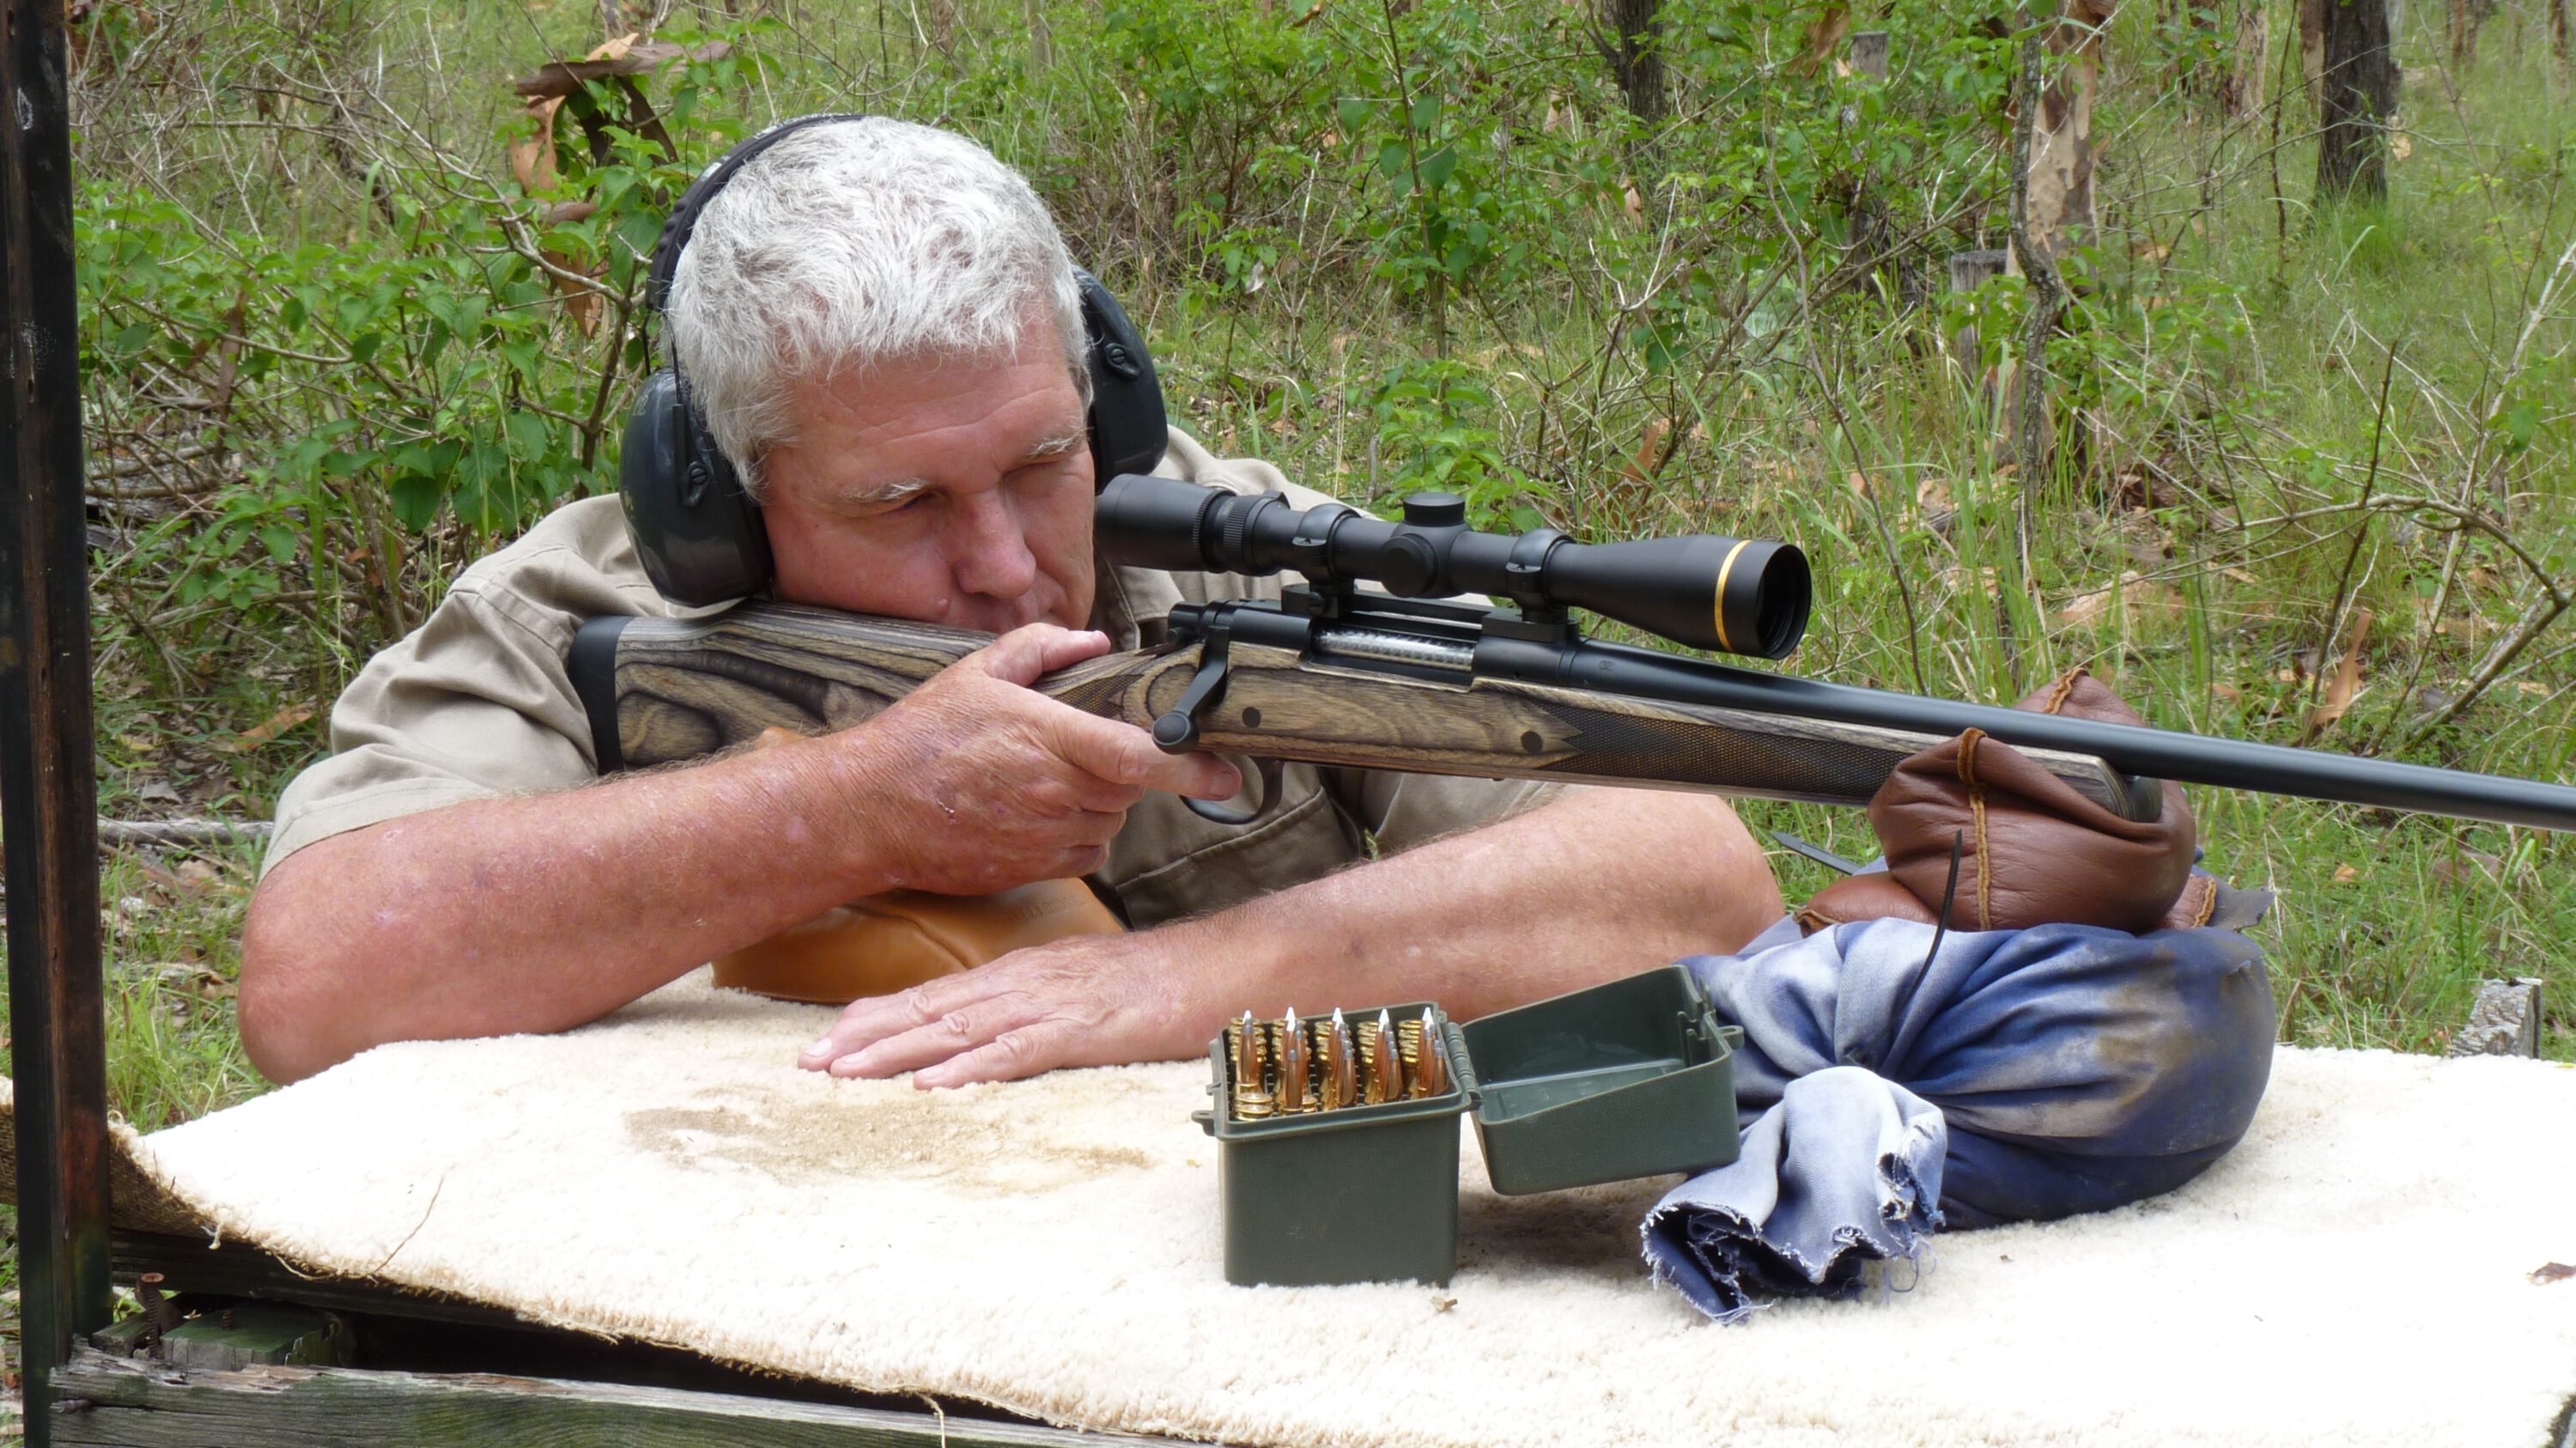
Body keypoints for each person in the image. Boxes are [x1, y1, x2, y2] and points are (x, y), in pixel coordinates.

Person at [236, 117, 1784, 1086]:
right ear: (714, 491)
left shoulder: (1220, 534)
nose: (1003, 561)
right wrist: (846, 813)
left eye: (1041, 463)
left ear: (1096, 404)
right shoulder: (575, 611)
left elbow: (1693, 881)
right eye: (899, 504)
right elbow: (318, 979)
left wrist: (1167, 982)